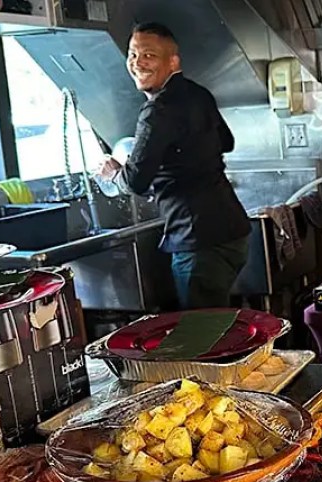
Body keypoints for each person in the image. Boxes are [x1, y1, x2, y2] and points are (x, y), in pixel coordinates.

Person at [98, 22, 250, 310]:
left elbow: (135, 182)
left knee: (203, 334)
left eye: (149, 56)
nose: (137, 63)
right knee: (219, 326)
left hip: (198, 239)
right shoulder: (198, 93)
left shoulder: (157, 111)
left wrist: (114, 172)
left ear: (173, 61)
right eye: (132, 54)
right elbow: (225, 141)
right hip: (232, 232)